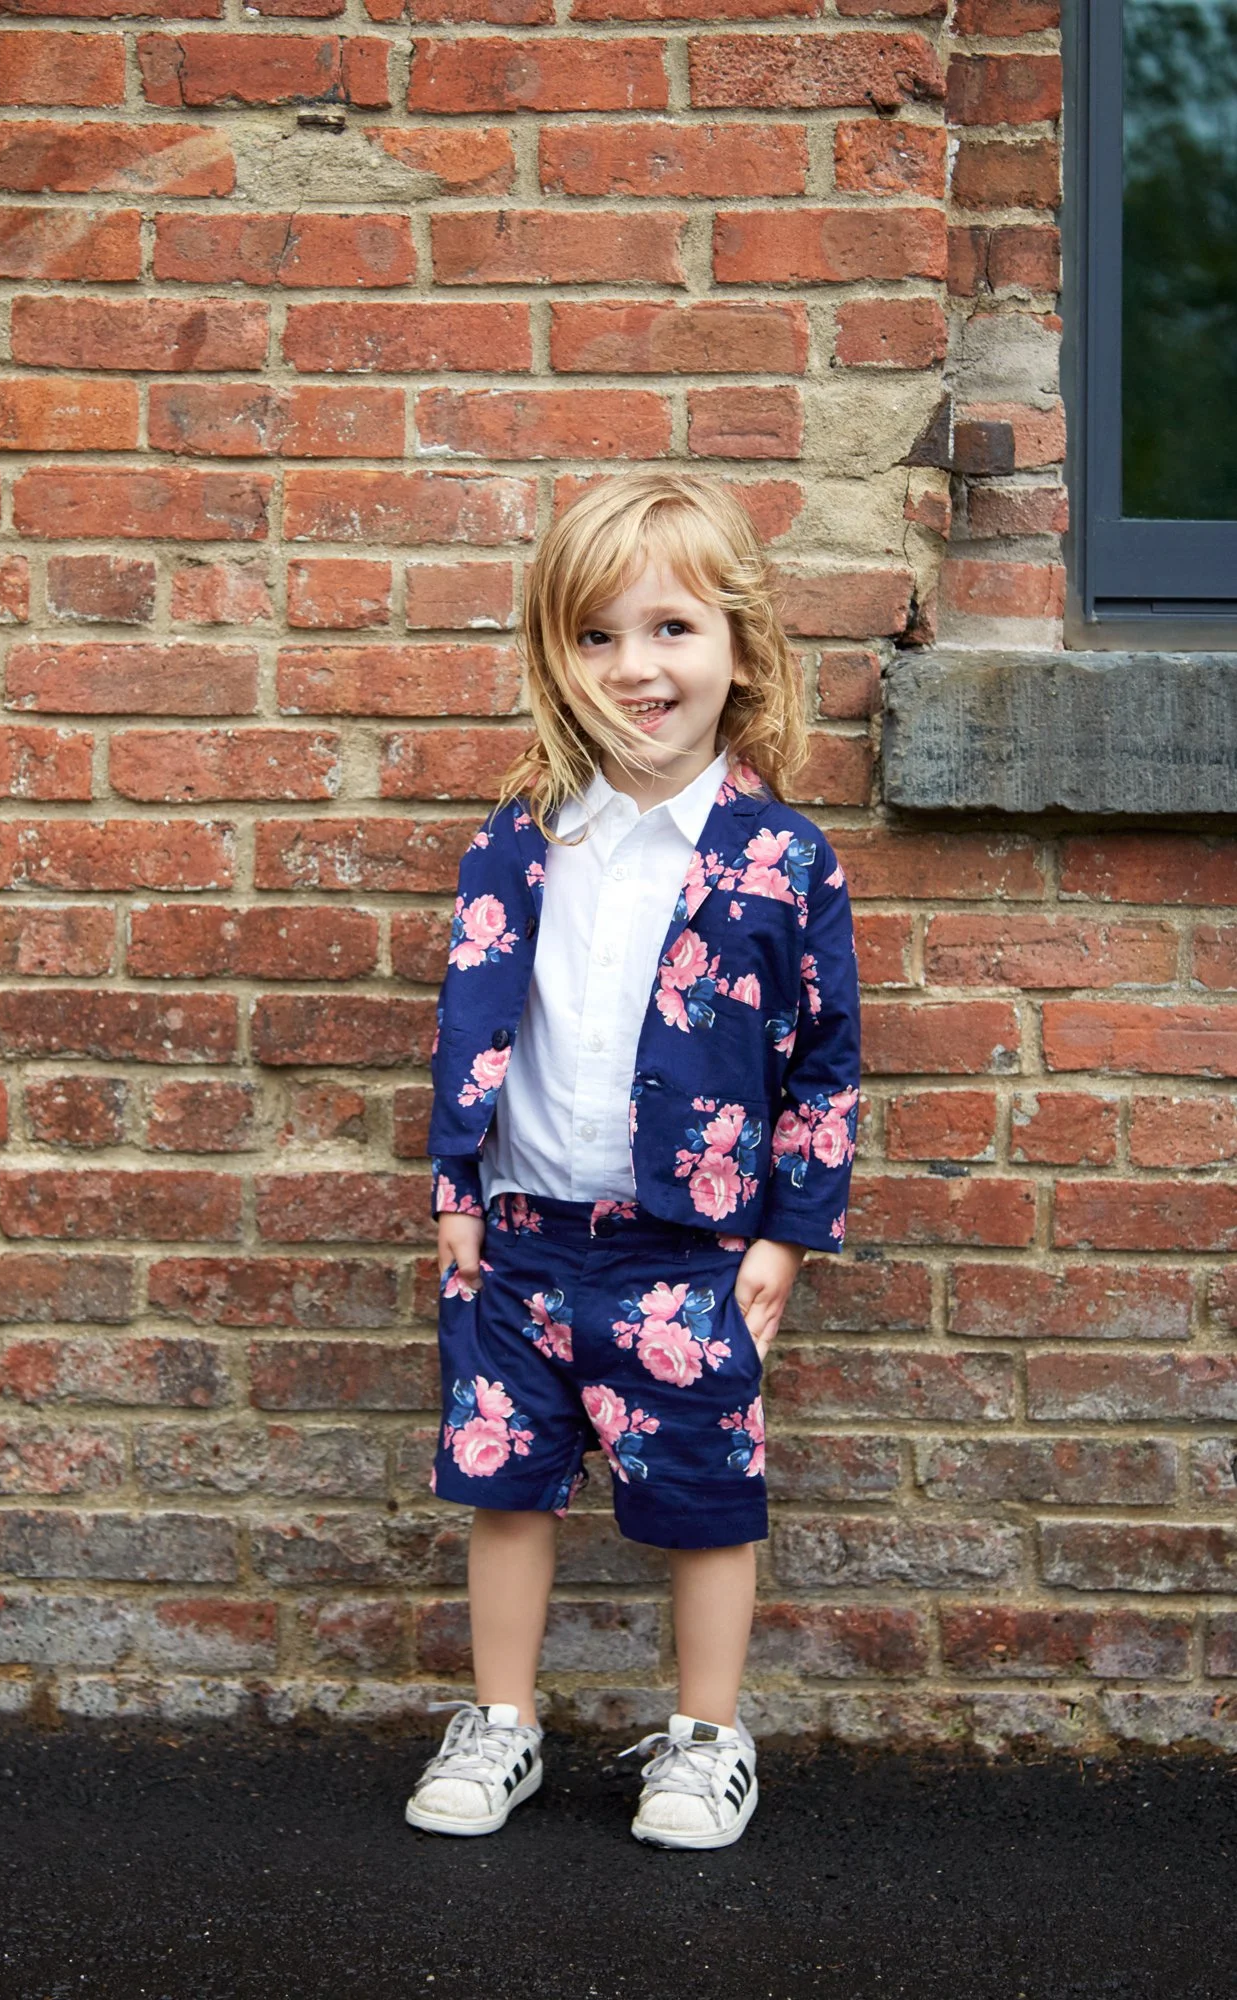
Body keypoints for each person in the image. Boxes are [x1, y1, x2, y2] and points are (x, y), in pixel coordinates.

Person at [404, 468, 861, 1849]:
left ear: (740, 647)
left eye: (670, 630)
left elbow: (823, 1069)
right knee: (504, 1481)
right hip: (524, 1233)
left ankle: (709, 1737)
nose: (635, 668)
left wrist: (786, 1235)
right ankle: (505, 1722)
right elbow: (470, 1016)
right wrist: (456, 1188)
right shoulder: (521, 840)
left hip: (689, 1252)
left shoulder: (781, 859)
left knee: (710, 1499)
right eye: (594, 636)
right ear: (556, 655)